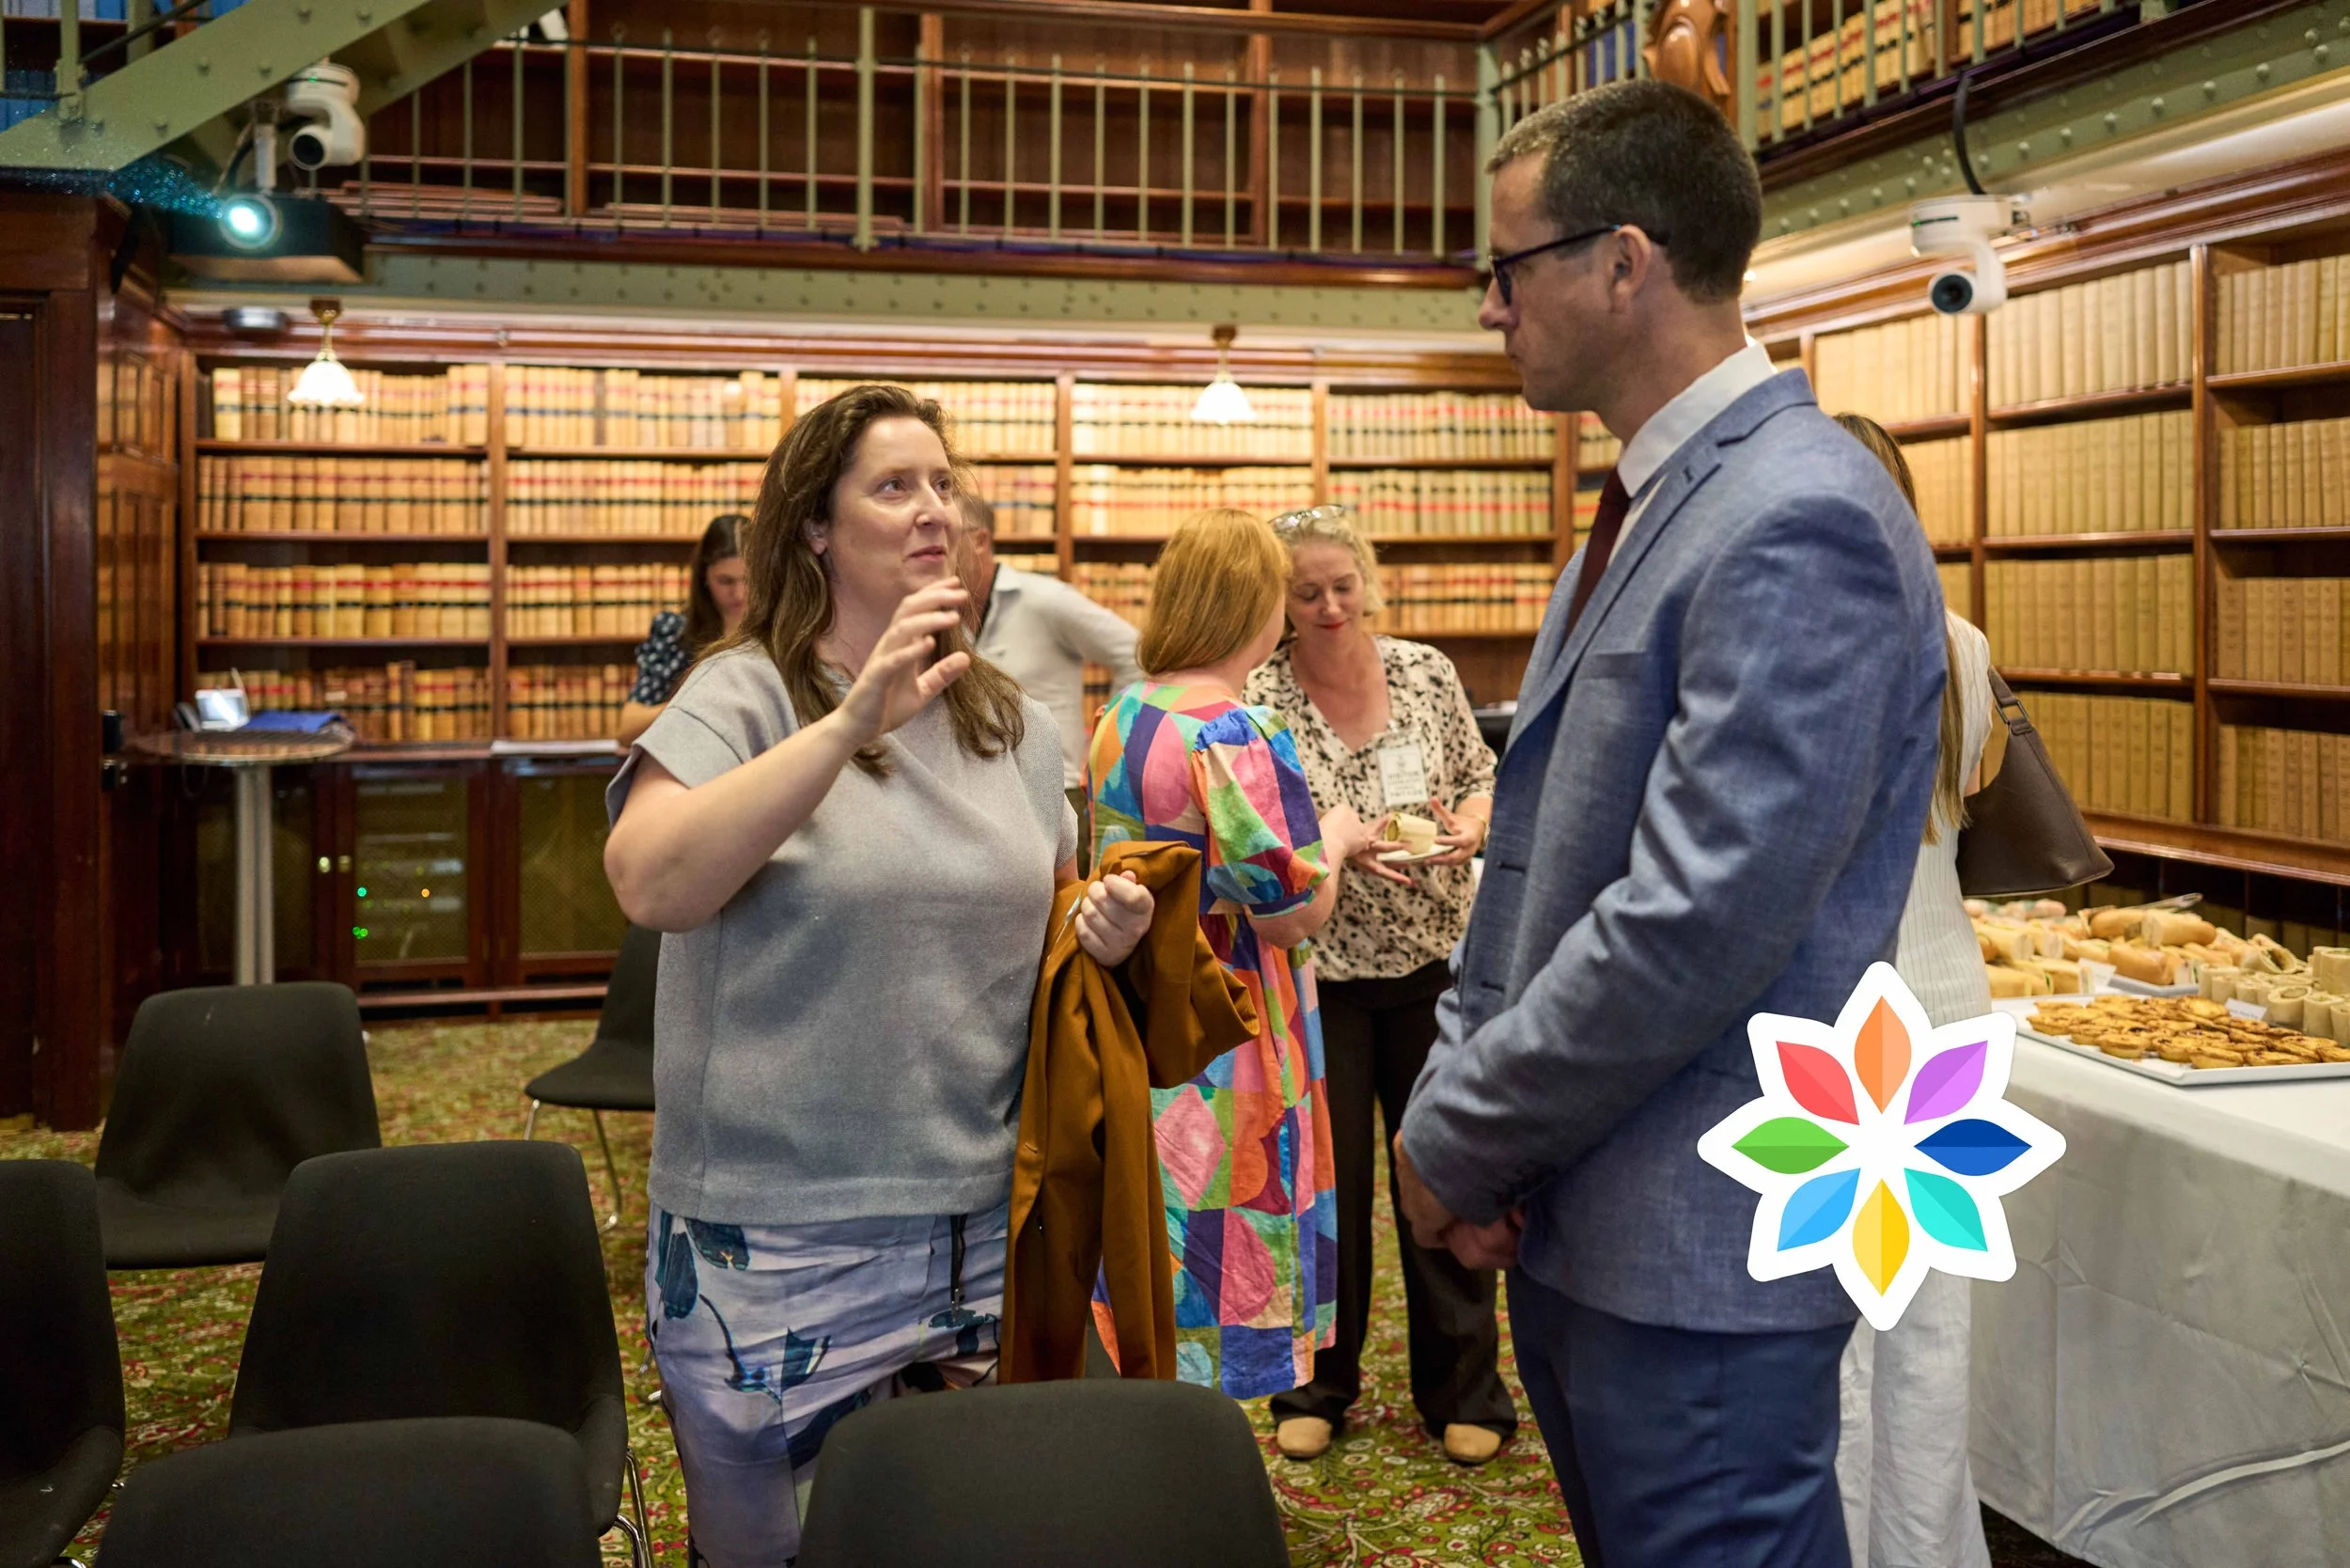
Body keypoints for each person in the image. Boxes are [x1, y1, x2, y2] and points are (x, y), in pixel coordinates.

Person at [1390, 80, 1948, 1568]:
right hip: (1593, 1216)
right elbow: (1537, 869)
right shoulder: (1660, 497)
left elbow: (1694, 922)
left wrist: (1457, 1132)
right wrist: (1486, 1136)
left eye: (1509, 267)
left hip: (1702, 1250)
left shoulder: (1797, 514)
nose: (1491, 307)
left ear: (1624, 263)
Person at [602, 384, 1155, 1568]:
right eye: (894, 486)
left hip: (983, 1224)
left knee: (975, 1541)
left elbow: (1049, 915)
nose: (932, 510)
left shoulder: (1008, 721)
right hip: (776, 1238)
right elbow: (650, 884)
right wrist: (849, 722)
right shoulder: (744, 692)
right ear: (814, 525)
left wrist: (1101, 928)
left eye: (943, 484)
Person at [1085, 507, 1386, 1400]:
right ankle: (1209, 1443)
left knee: (1157, 1229)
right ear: (1253, 606)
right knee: (1231, 1230)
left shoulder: (1123, 714)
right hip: (1231, 1025)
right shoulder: (1236, 731)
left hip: (1144, 1010)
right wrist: (1336, 837)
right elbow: (1292, 911)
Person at [1243, 504, 1516, 1467]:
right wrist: (1336, 846)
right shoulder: (1261, 694)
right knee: (1327, 1189)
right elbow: (1258, 835)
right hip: (1318, 970)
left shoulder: (1424, 671)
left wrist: (1471, 826)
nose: (1328, 608)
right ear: (1278, 602)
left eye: (1342, 587)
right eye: (1305, 593)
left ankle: (1465, 1390)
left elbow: (1480, 773)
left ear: (1368, 580)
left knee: (1441, 1168)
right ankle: (1315, 1387)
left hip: (1433, 958)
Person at [1831, 413, 1996, 1568]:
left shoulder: (1811, 639)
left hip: (1848, 1022)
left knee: (1836, 1331)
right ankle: (1928, 1547)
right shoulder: (1960, 642)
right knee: (1932, 1324)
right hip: (1950, 1010)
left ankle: (1841, 1543)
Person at [956, 493, 1143, 813]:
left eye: (946, 534)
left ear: (980, 540)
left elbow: (1134, 652)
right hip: (979, 798)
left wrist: (1106, 746)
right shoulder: (939, 612)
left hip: (1055, 796)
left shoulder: (1046, 599)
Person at [617, 513, 751, 746]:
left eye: (749, 580)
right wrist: (693, 702)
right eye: (726, 581)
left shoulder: (781, 630)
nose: (739, 594)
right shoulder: (675, 631)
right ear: (704, 576)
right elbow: (627, 730)